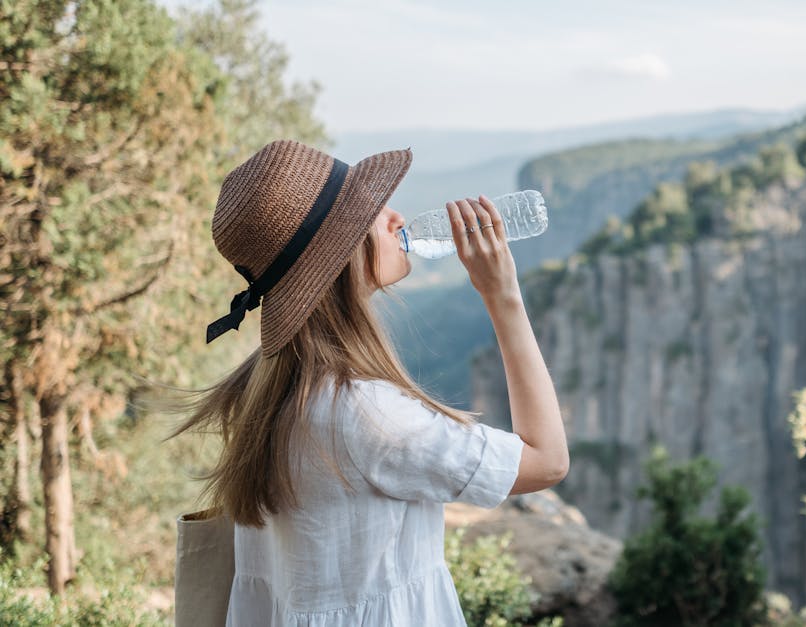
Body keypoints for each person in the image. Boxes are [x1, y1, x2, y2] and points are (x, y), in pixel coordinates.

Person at [169, 139, 568, 626]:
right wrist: (503, 296)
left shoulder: (269, 388)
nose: (395, 217)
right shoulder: (368, 413)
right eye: (370, 212)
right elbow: (547, 462)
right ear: (339, 254)